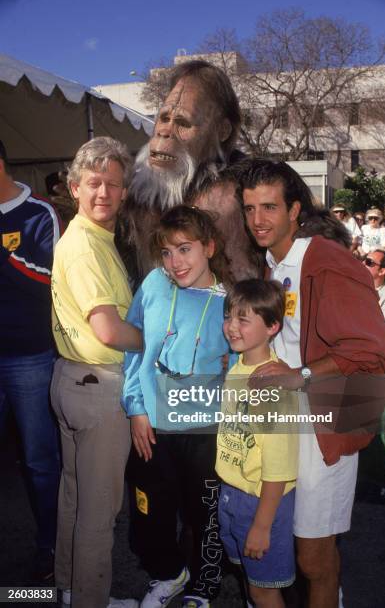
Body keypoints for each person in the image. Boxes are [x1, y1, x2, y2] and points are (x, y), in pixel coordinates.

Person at [232, 157, 385, 608]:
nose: (258, 220)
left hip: (324, 424)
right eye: (249, 209)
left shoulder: (323, 258)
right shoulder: (273, 263)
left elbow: (369, 348)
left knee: (313, 557)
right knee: (281, 543)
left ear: (294, 211)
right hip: (287, 425)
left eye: (268, 207)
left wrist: (298, 374)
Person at [122, 205, 233, 608]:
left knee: (205, 512)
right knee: (150, 509)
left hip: (205, 428)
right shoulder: (153, 284)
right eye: (167, 253)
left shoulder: (228, 302)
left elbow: (238, 368)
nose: (175, 262)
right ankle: (167, 574)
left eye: (184, 249)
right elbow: (136, 348)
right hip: (153, 423)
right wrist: (136, 407)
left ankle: (205, 586)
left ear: (209, 247)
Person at [50, 137, 142, 608]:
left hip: (72, 380)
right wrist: (158, 340)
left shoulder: (92, 238)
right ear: (74, 187)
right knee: (98, 512)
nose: (103, 192)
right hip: (98, 389)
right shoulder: (85, 246)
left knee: (75, 495)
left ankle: (66, 590)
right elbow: (108, 330)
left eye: (113, 183)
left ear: (125, 192)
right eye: (93, 183)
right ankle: (91, 601)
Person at [119, 60, 259, 284]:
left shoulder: (249, 187)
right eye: (164, 118)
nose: (164, 132)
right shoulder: (135, 190)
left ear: (221, 131)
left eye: (182, 123)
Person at [0, 139, 61, 581]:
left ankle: (51, 548)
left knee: (40, 462)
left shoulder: (39, 212)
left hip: (30, 359)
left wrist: (3, 255)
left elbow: (48, 282)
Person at [216, 279, 298, 608]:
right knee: (252, 583)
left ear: (272, 326)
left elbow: (279, 467)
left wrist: (262, 525)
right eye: (229, 317)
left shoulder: (272, 385)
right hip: (233, 493)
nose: (231, 327)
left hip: (262, 502)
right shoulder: (238, 367)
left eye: (243, 319)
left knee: (265, 590)